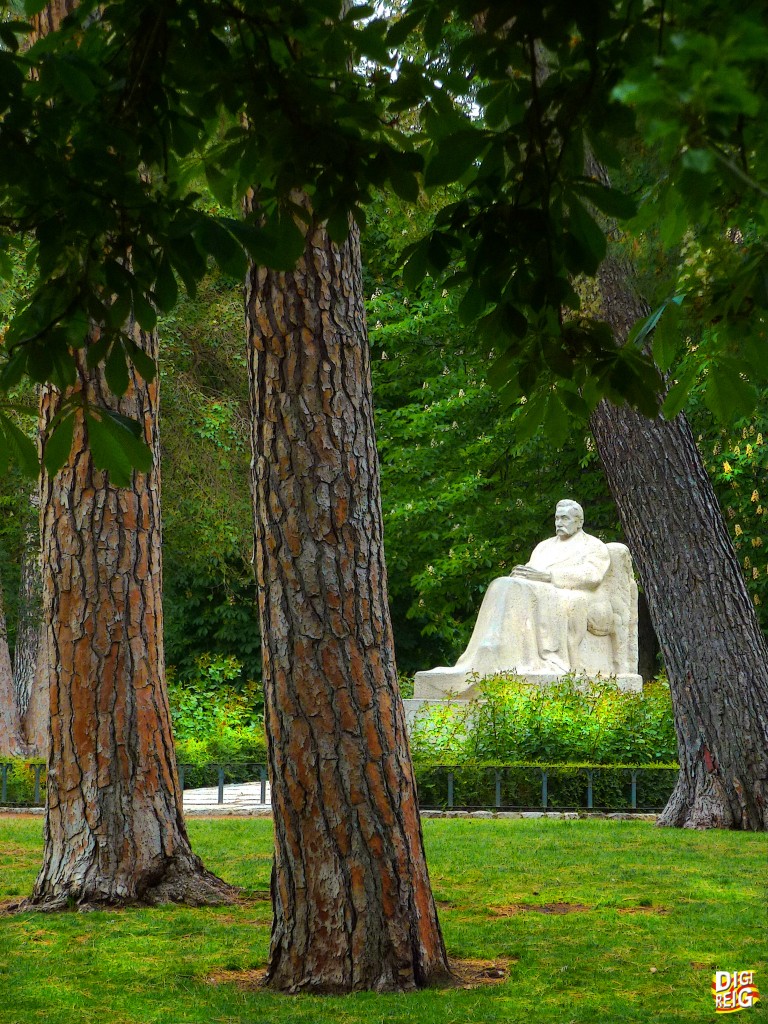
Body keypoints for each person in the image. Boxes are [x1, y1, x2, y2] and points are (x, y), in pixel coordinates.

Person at [414, 500, 614, 695]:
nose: (559, 522)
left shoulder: (593, 546)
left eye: (565, 518)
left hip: (561, 594)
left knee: (516, 588)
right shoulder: (544, 547)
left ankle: (512, 655)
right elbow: (530, 570)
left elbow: (592, 575)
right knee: (501, 583)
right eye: (556, 518)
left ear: (579, 522)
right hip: (534, 590)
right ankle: (492, 648)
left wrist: (548, 577)